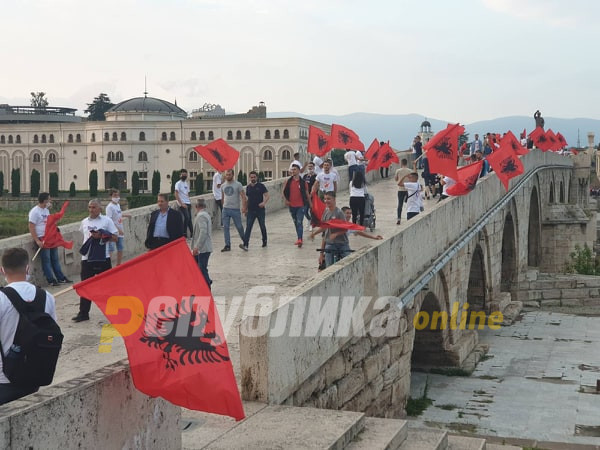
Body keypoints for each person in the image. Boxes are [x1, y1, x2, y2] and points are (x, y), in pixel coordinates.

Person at [0, 248, 58, 404]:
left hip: (4, 378)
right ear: (27, 268)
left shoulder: (1, 298)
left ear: (2, 270)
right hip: (35, 376)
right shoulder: (47, 297)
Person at [73, 199, 118, 322]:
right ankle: (83, 313)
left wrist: (102, 235)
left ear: (100, 209)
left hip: (103, 258)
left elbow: (115, 237)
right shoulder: (84, 222)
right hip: (87, 259)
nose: (91, 210)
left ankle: (113, 311)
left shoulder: (107, 221)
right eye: (89, 207)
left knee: (108, 286)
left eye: (94, 207)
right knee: (85, 286)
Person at [28, 192, 71, 286]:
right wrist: (37, 240)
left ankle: (60, 277)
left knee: (55, 258)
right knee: (46, 260)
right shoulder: (34, 212)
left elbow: (49, 222)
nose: (50, 201)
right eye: (49, 199)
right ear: (44, 201)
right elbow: (31, 226)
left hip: (51, 237)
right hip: (42, 238)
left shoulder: (46, 210)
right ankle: (51, 280)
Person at [316, 191, 351, 268]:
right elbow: (324, 235)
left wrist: (336, 234)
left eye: (328, 199)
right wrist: (321, 254)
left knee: (350, 263)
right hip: (330, 244)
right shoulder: (325, 213)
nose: (326, 201)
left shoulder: (339, 213)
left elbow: (345, 229)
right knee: (328, 267)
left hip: (342, 244)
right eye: (325, 199)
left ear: (334, 199)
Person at [283, 164, 311, 247]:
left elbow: (307, 193)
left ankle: (300, 239)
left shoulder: (303, 182)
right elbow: (284, 192)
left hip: (301, 205)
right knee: (295, 222)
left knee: (299, 222)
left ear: (299, 171)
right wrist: (286, 200)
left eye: (295, 169)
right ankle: (299, 237)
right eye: (292, 169)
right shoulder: (288, 181)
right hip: (292, 205)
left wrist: (310, 203)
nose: (293, 171)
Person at [241, 170, 269, 250]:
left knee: (262, 226)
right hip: (251, 210)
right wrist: (245, 209)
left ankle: (264, 240)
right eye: (251, 177)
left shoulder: (261, 186)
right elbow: (247, 199)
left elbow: (267, 195)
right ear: (249, 178)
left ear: (256, 177)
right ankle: (245, 244)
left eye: (254, 177)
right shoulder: (248, 187)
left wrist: (264, 203)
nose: (253, 178)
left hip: (260, 210)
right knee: (248, 227)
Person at [220, 168, 247, 252]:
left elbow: (243, 196)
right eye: (226, 175)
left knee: (239, 227)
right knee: (226, 228)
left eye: (229, 174)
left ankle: (245, 242)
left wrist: (244, 207)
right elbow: (222, 197)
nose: (228, 176)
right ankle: (227, 245)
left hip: (235, 209)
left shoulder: (238, 184)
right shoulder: (223, 185)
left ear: (233, 175)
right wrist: (223, 206)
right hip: (225, 209)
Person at [105, 189, 131, 266]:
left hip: (120, 229)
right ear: (111, 196)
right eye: (114, 195)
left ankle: (118, 265)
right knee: (111, 249)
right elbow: (109, 220)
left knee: (120, 248)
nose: (117, 197)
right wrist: (118, 230)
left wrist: (126, 215)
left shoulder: (118, 205)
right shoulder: (109, 207)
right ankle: (108, 265)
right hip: (113, 231)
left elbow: (118, 215)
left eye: (118, 195)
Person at [191, 198, 213, 288]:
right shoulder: (206, 215)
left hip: (203, 249)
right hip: (204, 248)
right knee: (200, 268)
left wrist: (197, 247)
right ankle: (205, 283)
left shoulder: (201, 216)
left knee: (202, 268)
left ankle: (207, 284)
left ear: (196, 206)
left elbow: (203, 232)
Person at [175, 168, 193, 237]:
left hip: (188, 203)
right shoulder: (178, 184)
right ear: (180, 175)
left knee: (189, 219)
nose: (184, 176)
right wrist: (181, 204)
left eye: (185, 175)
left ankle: (192, 233)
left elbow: (187, 194)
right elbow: (176, 194)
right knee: (187, 217)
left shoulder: (186, 183)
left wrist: (189, 202)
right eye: (183, 175)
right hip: (182, 204)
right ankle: (184, 233)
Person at [394, 159, 411, 225]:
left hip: (400, 190)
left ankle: (399, 218)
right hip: (408, 190)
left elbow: (396, 179)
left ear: (401, 163)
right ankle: (408, 217)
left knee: (400, 204)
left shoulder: (398, 171)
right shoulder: (409, 171)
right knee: (409, 204)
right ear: (406, 163)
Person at [302, 162, 318, 227]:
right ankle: (309, 219)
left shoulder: (316, 176)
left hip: (313, 196)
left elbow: (316, 186)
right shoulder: (305, 176)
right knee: (304, 210)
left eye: (311, 166)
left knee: (312, 210)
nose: (310, 168)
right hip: (306, 196)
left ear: (314, 167)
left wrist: (312, 193)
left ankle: (312, 223)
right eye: (309, 166)